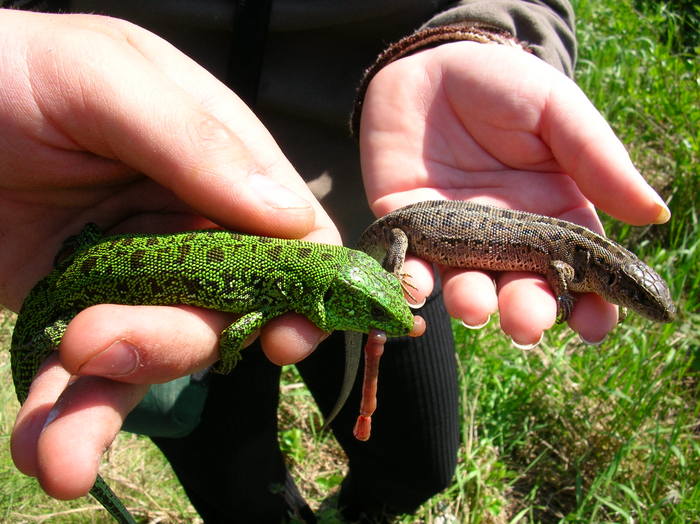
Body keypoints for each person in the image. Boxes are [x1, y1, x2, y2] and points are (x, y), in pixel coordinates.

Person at [1, 1, 670, 522]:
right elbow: (244, 325)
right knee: (224, 458)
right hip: (138, 187)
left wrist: (482, 30)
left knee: (419, 457)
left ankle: (353, 511)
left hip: (356, 213)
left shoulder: (381, 276)